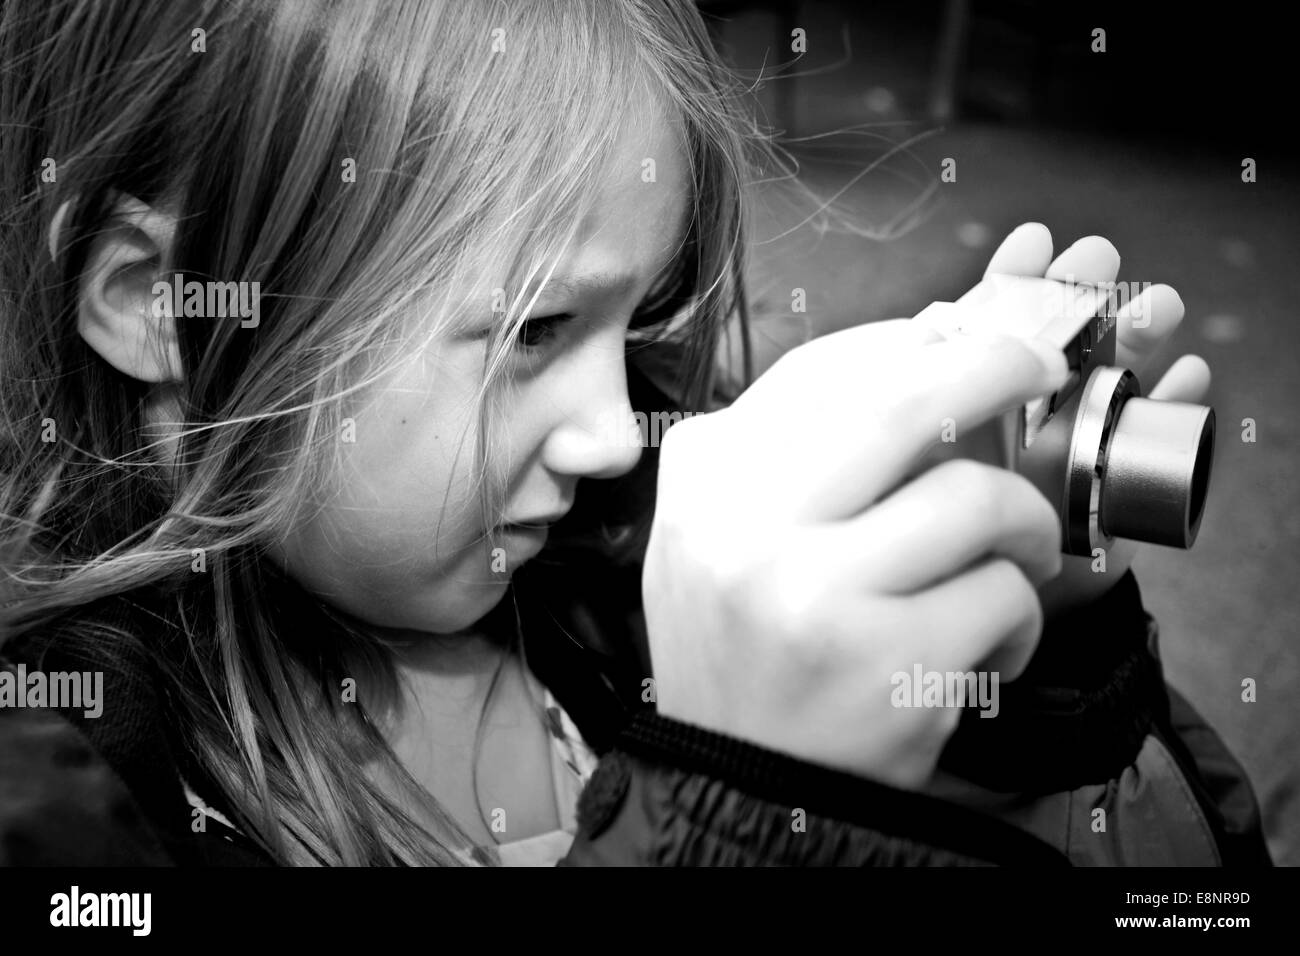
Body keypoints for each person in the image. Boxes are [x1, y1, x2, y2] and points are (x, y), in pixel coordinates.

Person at [0, 0, 1270, 866]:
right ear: (160, 302)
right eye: (534, 331)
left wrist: (1024, 668)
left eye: (637, 315)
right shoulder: (67, 791)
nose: (616, 432)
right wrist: (726, 810)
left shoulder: (613, 528)